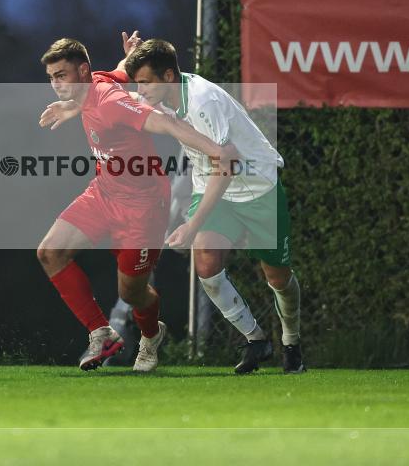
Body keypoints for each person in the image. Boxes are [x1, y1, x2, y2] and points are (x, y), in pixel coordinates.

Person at [36, 33, 238, 372]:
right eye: (51, 78)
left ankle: (150, 336)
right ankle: (102, 333)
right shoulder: (97, 81)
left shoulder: (110, 101)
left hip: (143, 208)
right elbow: (119, 71)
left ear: (82, 71)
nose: (56, 84)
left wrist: (217, 151)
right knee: (49, 253)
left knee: (132, 293)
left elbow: (166, 123)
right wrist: (76, 103)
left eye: (61, 76)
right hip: (104, 193)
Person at [125, 39, 305, 375]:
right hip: (213, 188)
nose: (141, 89)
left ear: (167, 76)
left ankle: (291, 342)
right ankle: (256, 340)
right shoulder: (163, 92)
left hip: (257, 188)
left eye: (146, 81)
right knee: (206, 261)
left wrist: (191, 225)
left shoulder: (202, 101)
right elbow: (122, 99)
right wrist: (77, 104)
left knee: (277, 277)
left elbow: (228, 165)